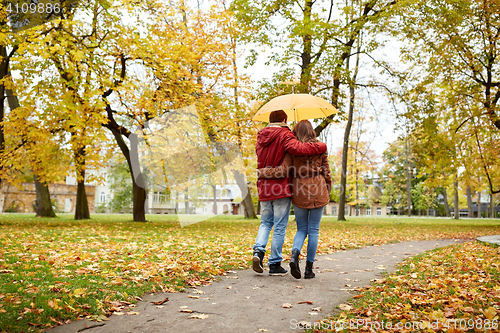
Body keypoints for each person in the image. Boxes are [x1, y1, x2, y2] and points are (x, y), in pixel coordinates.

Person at [253, 111, 328, 275]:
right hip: (283, 187)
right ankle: (278, 264)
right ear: (284, 120)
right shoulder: (286, 136)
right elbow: (303, 152)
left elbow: (282, 165)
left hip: (267, 187)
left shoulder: (260, 136)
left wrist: (261, 172)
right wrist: (321, 146)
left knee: (266, 223)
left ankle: (259, 251)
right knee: (287, 226)